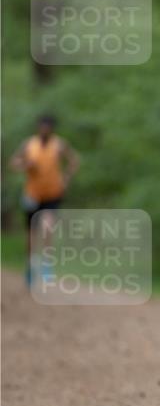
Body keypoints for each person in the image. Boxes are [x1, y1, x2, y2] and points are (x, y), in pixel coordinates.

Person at [10, 114, 80, 284]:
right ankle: (30, 264)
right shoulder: (29, 144)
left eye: (47, 127)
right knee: (31, 234)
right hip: (32, 194)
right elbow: (14, 162)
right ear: (38, 127)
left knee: (48, 226)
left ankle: (47, 263)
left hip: (53, 193)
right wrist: (25, 165)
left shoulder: (59, 144)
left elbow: (74, 160)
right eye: (42, 126)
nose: (44, 130)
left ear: (52, 129)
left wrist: (66, 179)